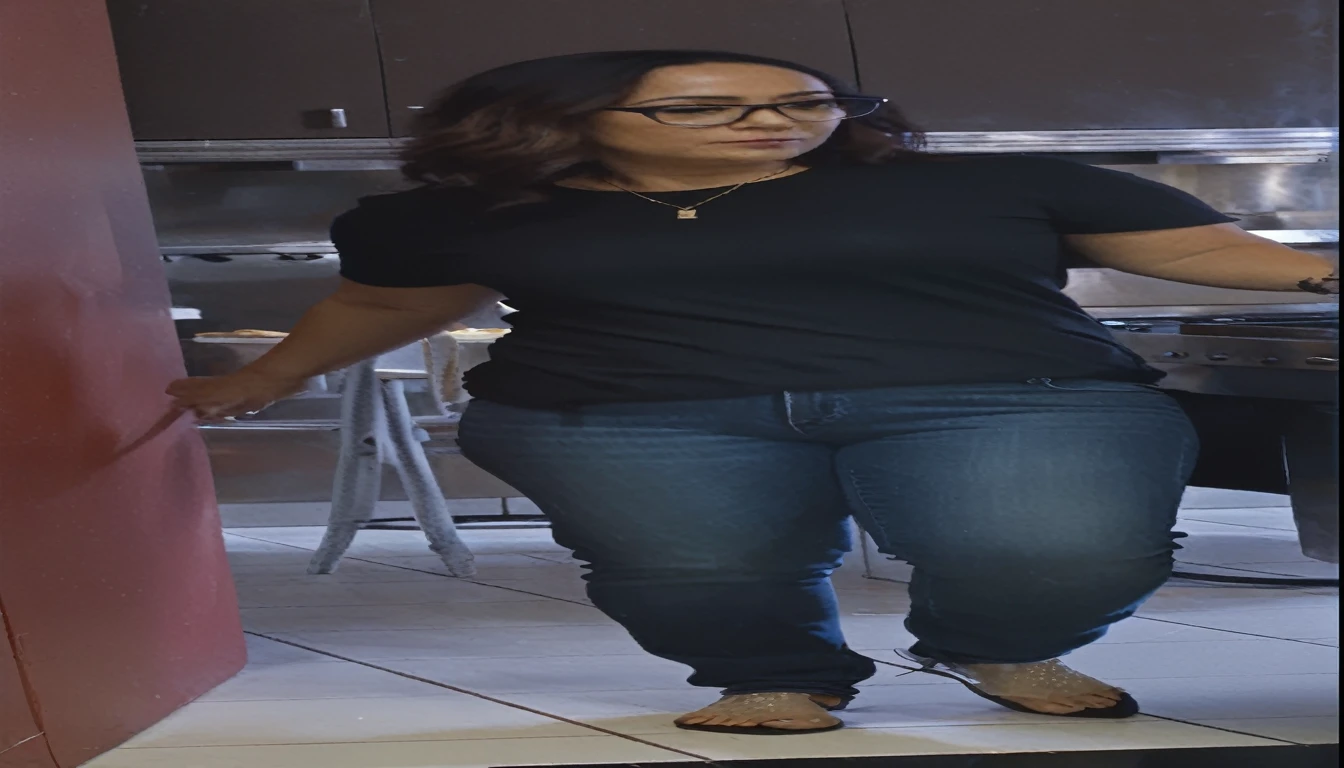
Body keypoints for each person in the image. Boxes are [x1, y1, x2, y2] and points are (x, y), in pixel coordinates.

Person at [168, 50, 1339, 735]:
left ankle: (1000, 646)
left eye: (799, 103)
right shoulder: (470, 216)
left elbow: (1205, 254)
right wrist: (261, 378)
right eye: (708, 106)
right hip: (623, 411)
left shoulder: (988, 184)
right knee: (695, 570)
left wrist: (1319, 268)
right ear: (572, 120)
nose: (773, 122)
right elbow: (381, 307)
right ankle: (778, 676)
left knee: (1059, 549)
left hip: (1003, 395)